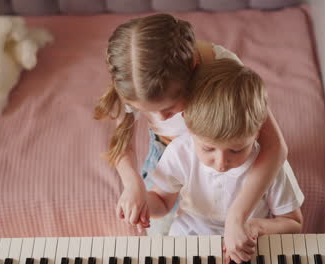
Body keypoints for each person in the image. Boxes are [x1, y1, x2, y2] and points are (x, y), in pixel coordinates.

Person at [94, 14, 288, 262]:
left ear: (194, 69)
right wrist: (132, 184)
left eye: (171, 109)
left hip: (223, 146)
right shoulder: (133, 80)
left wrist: (237, 216)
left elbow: (275, 146)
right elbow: (122, 139)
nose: (161, 119)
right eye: (147, 110)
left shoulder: (221, 67)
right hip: (168, 156)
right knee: (162, 238)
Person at [146, 58, 304, 244]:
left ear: (257, 132)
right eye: (208, 148)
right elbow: (163, 202)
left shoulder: (271, 166)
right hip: (188, 239)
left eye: (236, 150)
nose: (221, 163)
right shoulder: (180, 153)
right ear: (188, 125)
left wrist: (256, 227)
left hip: (247, 242)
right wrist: (142, 203)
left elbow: (293, 223)